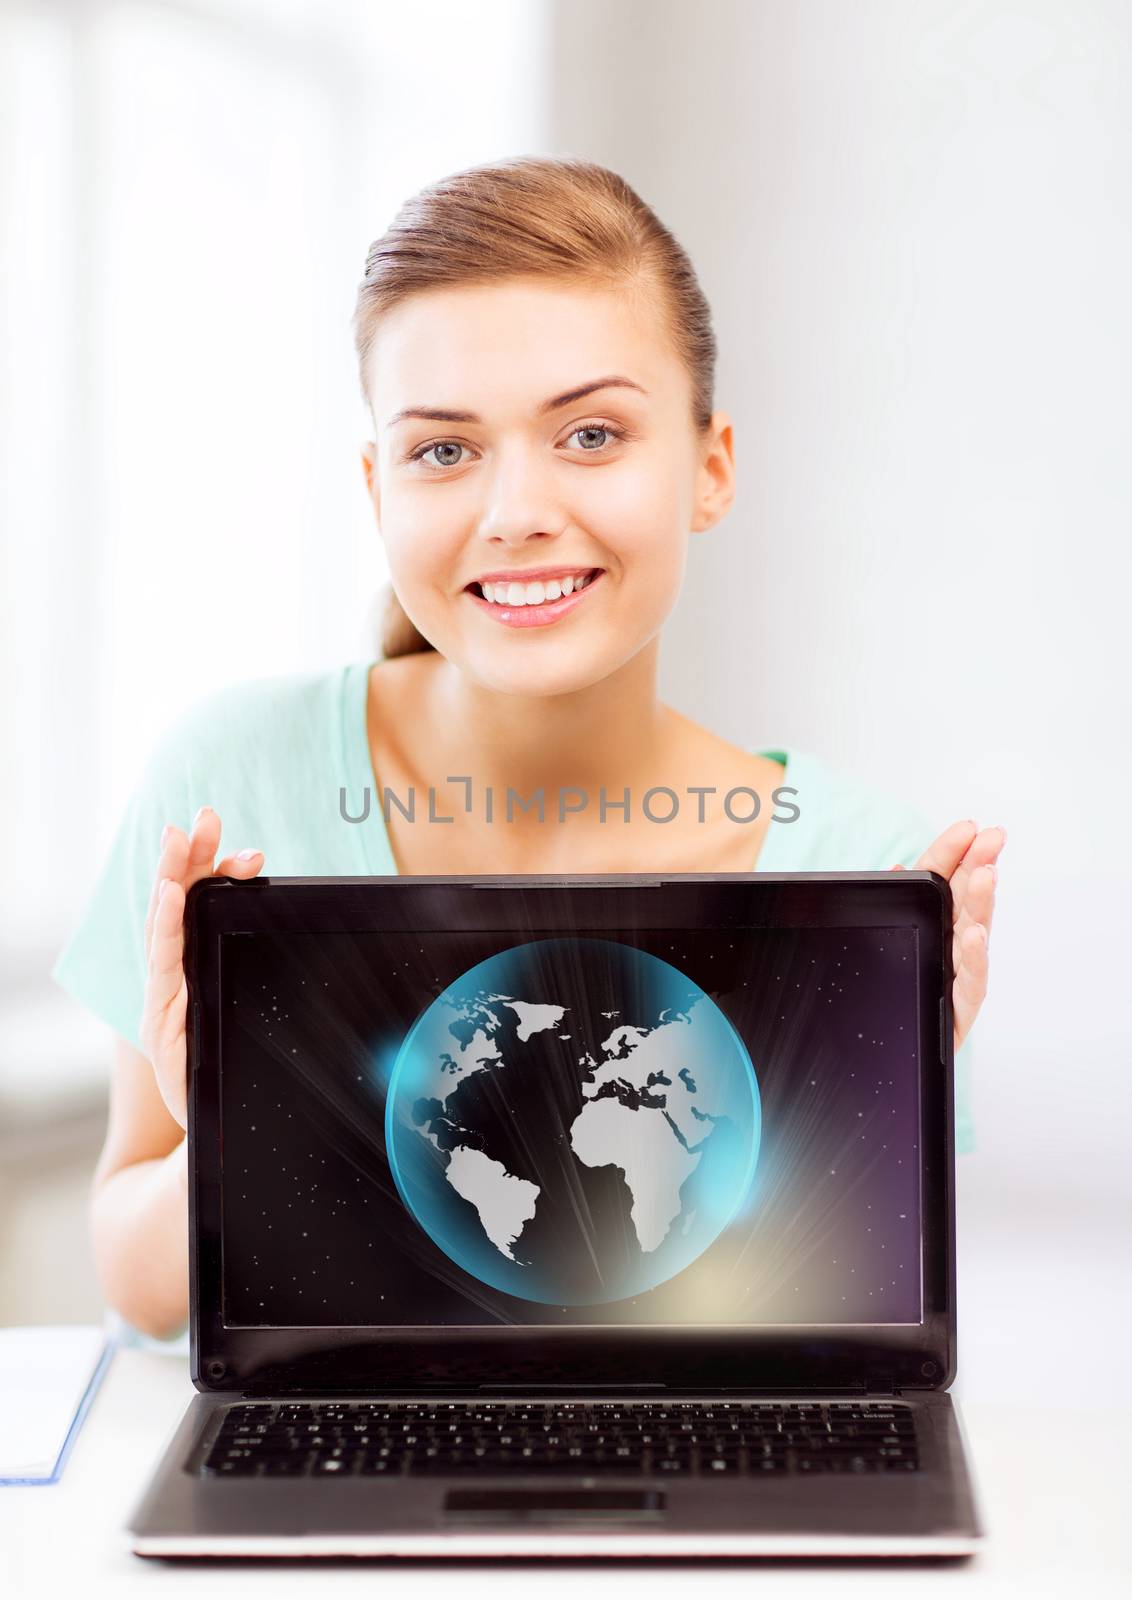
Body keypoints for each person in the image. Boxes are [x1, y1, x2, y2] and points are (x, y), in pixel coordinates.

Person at [51, 157, 1004, 1342]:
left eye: (590, 433)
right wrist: (254, 1119)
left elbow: (819, 1333)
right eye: (443, 451)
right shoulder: (227, 783)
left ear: (709, 465)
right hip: (330, 1474)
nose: (514, 510)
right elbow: (134, 1280)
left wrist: (871, 1099)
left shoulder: (860, 866)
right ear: (377, 488)